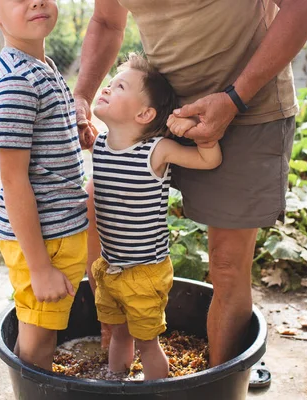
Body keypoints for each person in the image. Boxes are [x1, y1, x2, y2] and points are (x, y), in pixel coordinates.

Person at [74, 0, 307, 368]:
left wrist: (234, 99)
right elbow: (108, 22)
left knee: (226, 264)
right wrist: (81, 93)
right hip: (155, 114)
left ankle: (219, 380)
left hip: (246, 106)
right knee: (97, 212)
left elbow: (306, 8)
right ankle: (116, 356)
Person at [90, 53, 222, 380]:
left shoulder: (156, 149)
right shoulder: (101, 144)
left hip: (145, 272)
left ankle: (156, 390)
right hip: (111, 267)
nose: (106, 88)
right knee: (119, 333)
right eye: (110, 82)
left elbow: (209, 160)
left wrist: (200, 133)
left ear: (144, 113)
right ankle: (115, 380)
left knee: (148, 343)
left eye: (119, 86)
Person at [0, 0, 89, 370]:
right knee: (39, 337)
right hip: (44, 240)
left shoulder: (41, 66)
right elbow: (14, 181)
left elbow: (42, 144)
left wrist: (71, 133)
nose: (37, 1)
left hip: (60, 232)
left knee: (49, 327)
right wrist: (40, 267)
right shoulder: (15, 81)